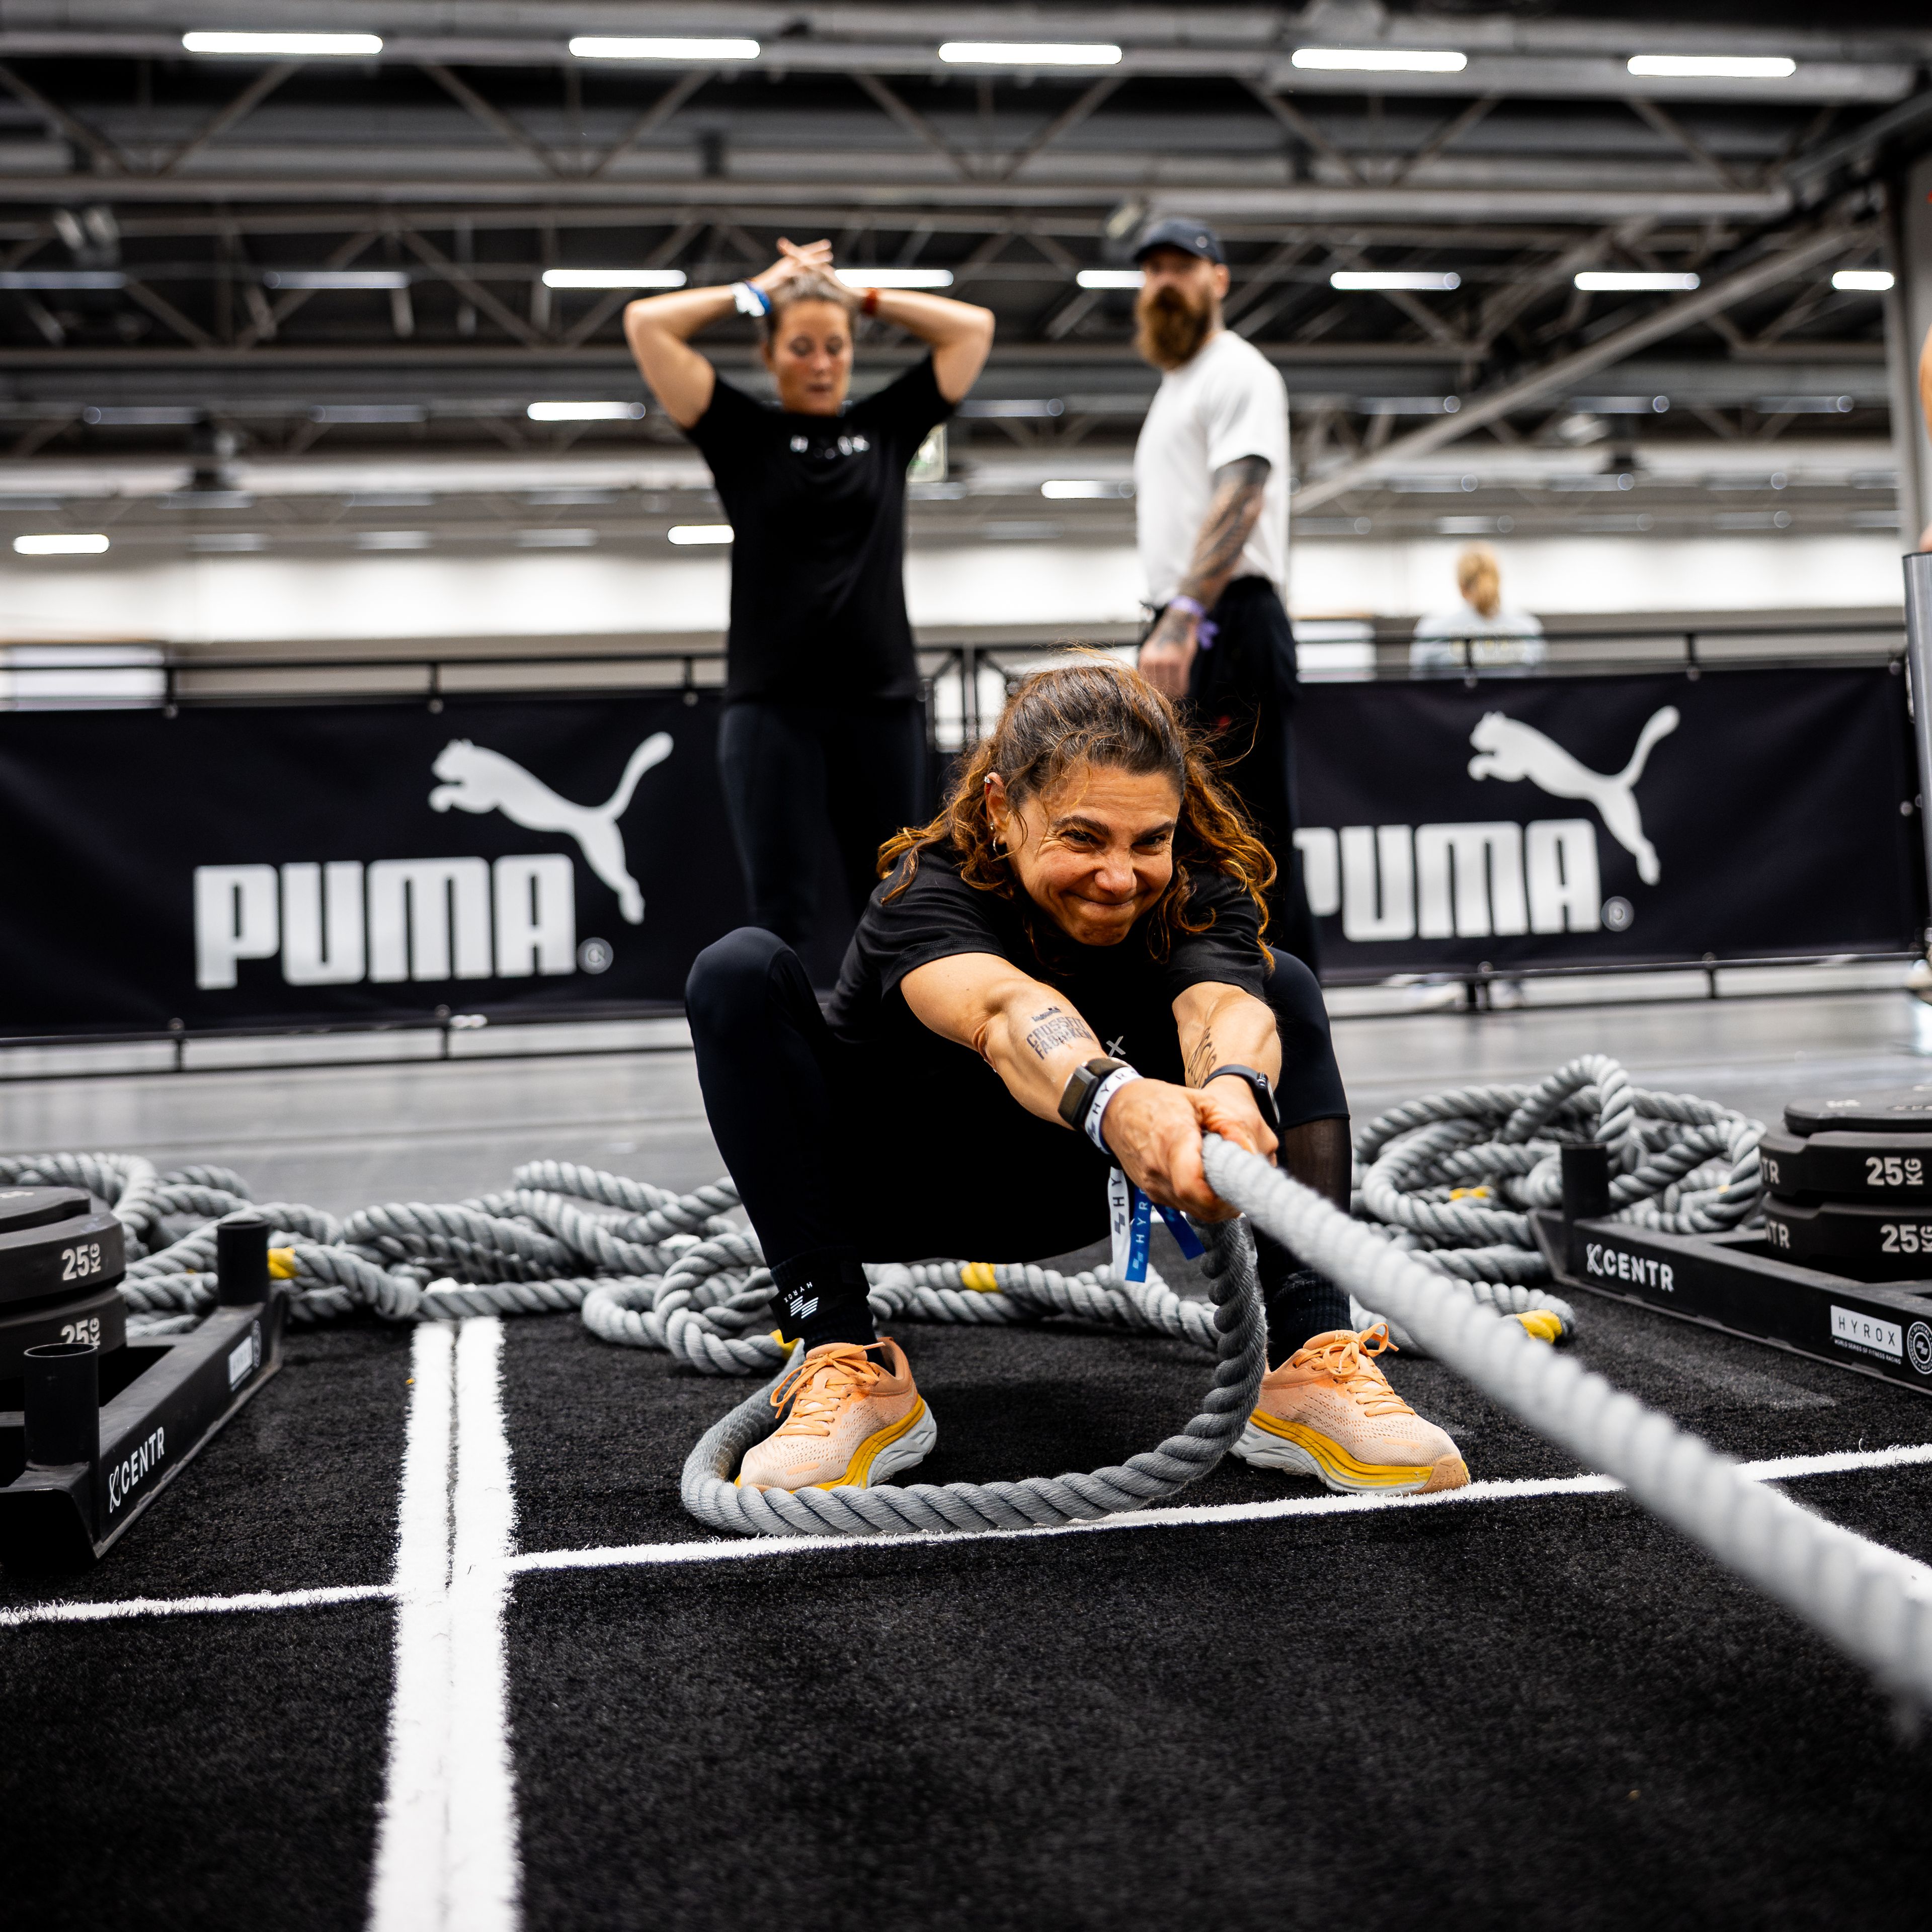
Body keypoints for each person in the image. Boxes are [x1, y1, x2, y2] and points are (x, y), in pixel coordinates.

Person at [686, 657, 1469, 1499]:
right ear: (1000, 810)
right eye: (1083, 837)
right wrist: (1118, 1100)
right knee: (737, 972)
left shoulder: (1196, 892)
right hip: (883, 1192)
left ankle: (1310, 1361)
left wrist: (1235, 1094)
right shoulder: (927, 894)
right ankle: (841, 1354)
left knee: (1284, 986)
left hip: (1066, 1191)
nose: (1120, 879)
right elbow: (1005, 1013)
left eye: (1150, 841)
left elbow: (1220, 1011)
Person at [624, 239, 994, 952]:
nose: (820, 363)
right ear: (769, 356)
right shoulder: (743, 434)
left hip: (880, 703)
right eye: (800, 347)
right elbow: (647, 324)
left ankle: (889, 1058)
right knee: (783, 910)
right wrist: (756, 293)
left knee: (894, 897)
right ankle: (784, 1060)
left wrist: (862, 298)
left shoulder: (884, 429)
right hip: (773, 709)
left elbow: (973, 329)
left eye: (835, 346)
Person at [1129, 216, 1319, 974]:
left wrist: (1183, 618)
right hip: (1189, 618)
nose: (1164, 282)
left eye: (1181, 267)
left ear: (1218, 280)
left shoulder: (1239, 371)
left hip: (1223, 620)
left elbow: (1241, 496)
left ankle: (1287, 1019)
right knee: (1199, 830)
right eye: (1153, 271)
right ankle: (1219, 998)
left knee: (1253, 833)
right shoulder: (1177, 387)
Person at [1410, 543, 1546, 676]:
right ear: (1498, 580)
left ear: (1461, 586)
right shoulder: (1528, 628)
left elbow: (1419, 688)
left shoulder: (1432, 629)